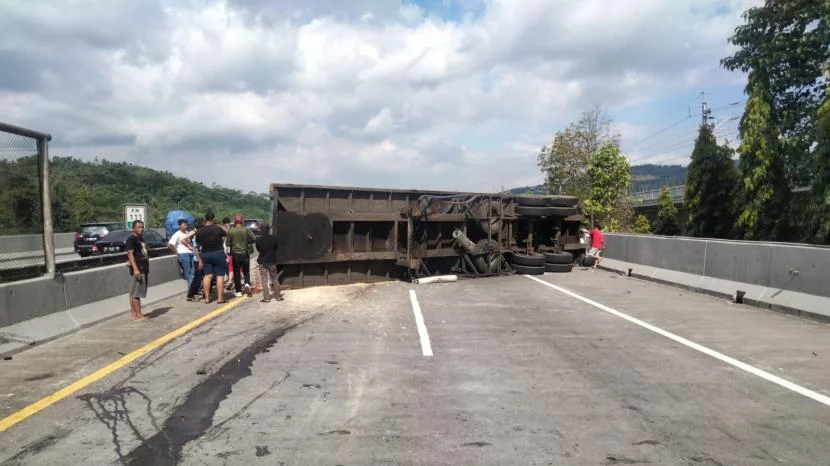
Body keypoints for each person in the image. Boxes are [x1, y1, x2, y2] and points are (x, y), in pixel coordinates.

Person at [195, 212, 228, 303]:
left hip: (205, 254)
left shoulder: (200, 231)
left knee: (207, 276)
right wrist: (220, 226)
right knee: (220, 276)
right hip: (218, 253)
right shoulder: (217, 228)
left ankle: (207, 298)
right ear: (213, 219)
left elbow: (197, 244)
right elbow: (227, 233)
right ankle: (220, 298)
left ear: (205, 219)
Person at [125, 220, 150, 321]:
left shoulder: (140, 238)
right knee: (136, 293)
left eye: (142, 227)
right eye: (139, 227)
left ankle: (134, 315)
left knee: (133, 292)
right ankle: (138, 315)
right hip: (139, 269)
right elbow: (130, 253)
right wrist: (135, 269)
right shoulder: (131, 239)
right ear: (133, 228)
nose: (141, 229)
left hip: (143, 267)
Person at [226, 214, 255, 297]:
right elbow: (254, 238)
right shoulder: (246, 230)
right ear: (242, 221)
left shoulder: (230, 231)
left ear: (235, 221)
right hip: (245, 254)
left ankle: (238, 291)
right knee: (246, 271)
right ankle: (247, 284)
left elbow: (227, 243)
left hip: (235, 254)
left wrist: (229, 252)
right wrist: (247, 242)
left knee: (236, 272)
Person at [255, 222, 283, 302]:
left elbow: (258, 249)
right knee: (275, 279)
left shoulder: (258, 239)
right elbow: (275, 248)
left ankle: (266, 298)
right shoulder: (274, 238)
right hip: (272, 261)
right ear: (268, 229)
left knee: (264, 280)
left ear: (261, 229)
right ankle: (278, 297)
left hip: (263, 261)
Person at [167, 219, 195, 291]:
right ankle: (191, 290)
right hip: (183, 254)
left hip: (190, 253)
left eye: (186, 225)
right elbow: (170, 244)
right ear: (180, 226)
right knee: (188, 272)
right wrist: (176, 253)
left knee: (193, 272)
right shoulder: (177, 234)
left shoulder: (187, 232)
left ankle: (193, 288)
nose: (186, 226)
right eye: (184, 225)